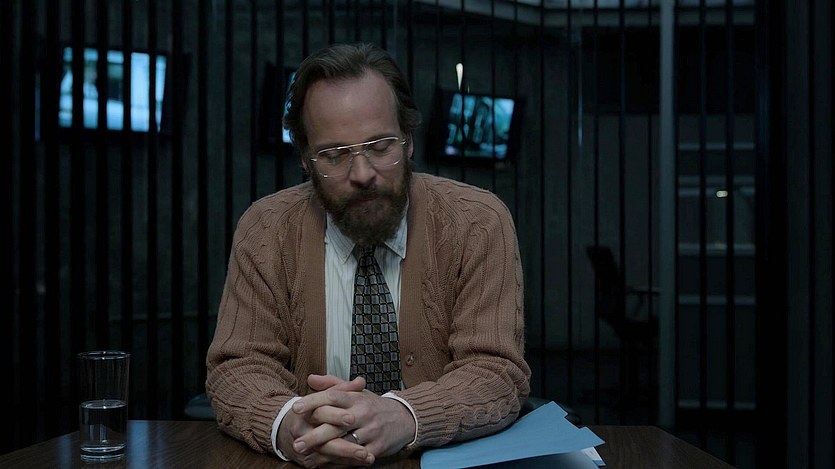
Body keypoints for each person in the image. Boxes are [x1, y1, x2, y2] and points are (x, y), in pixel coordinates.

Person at [206, 42, 530, 468]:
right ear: (305, 159)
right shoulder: (265, 230)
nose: (362, 174)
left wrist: (403, 415)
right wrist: (288, 424)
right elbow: (237, 367)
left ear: (409, 141)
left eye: (380, 146)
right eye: (334, 155)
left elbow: (495, 371)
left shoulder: (478, 222)